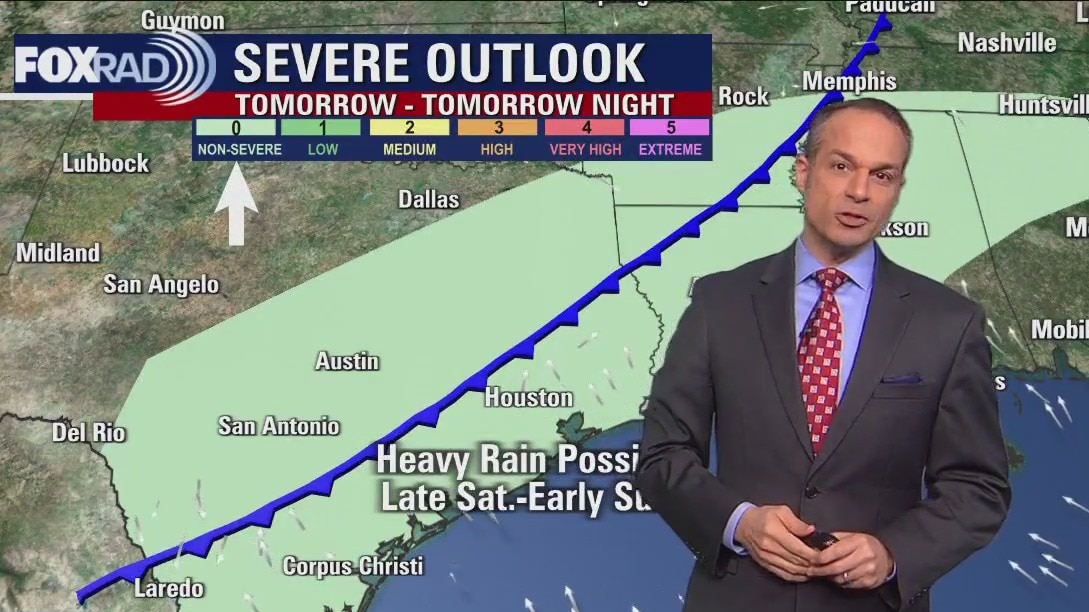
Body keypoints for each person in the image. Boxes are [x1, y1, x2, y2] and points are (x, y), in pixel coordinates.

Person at [633, 97, 1011, 612]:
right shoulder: (719, 303)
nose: (860, 191)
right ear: (803, 172)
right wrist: (740, 522)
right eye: (841, 166)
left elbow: (978, 486)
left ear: (898, 190)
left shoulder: (947, 322)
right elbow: (663, 455)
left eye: (882, 175)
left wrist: (893, 553)